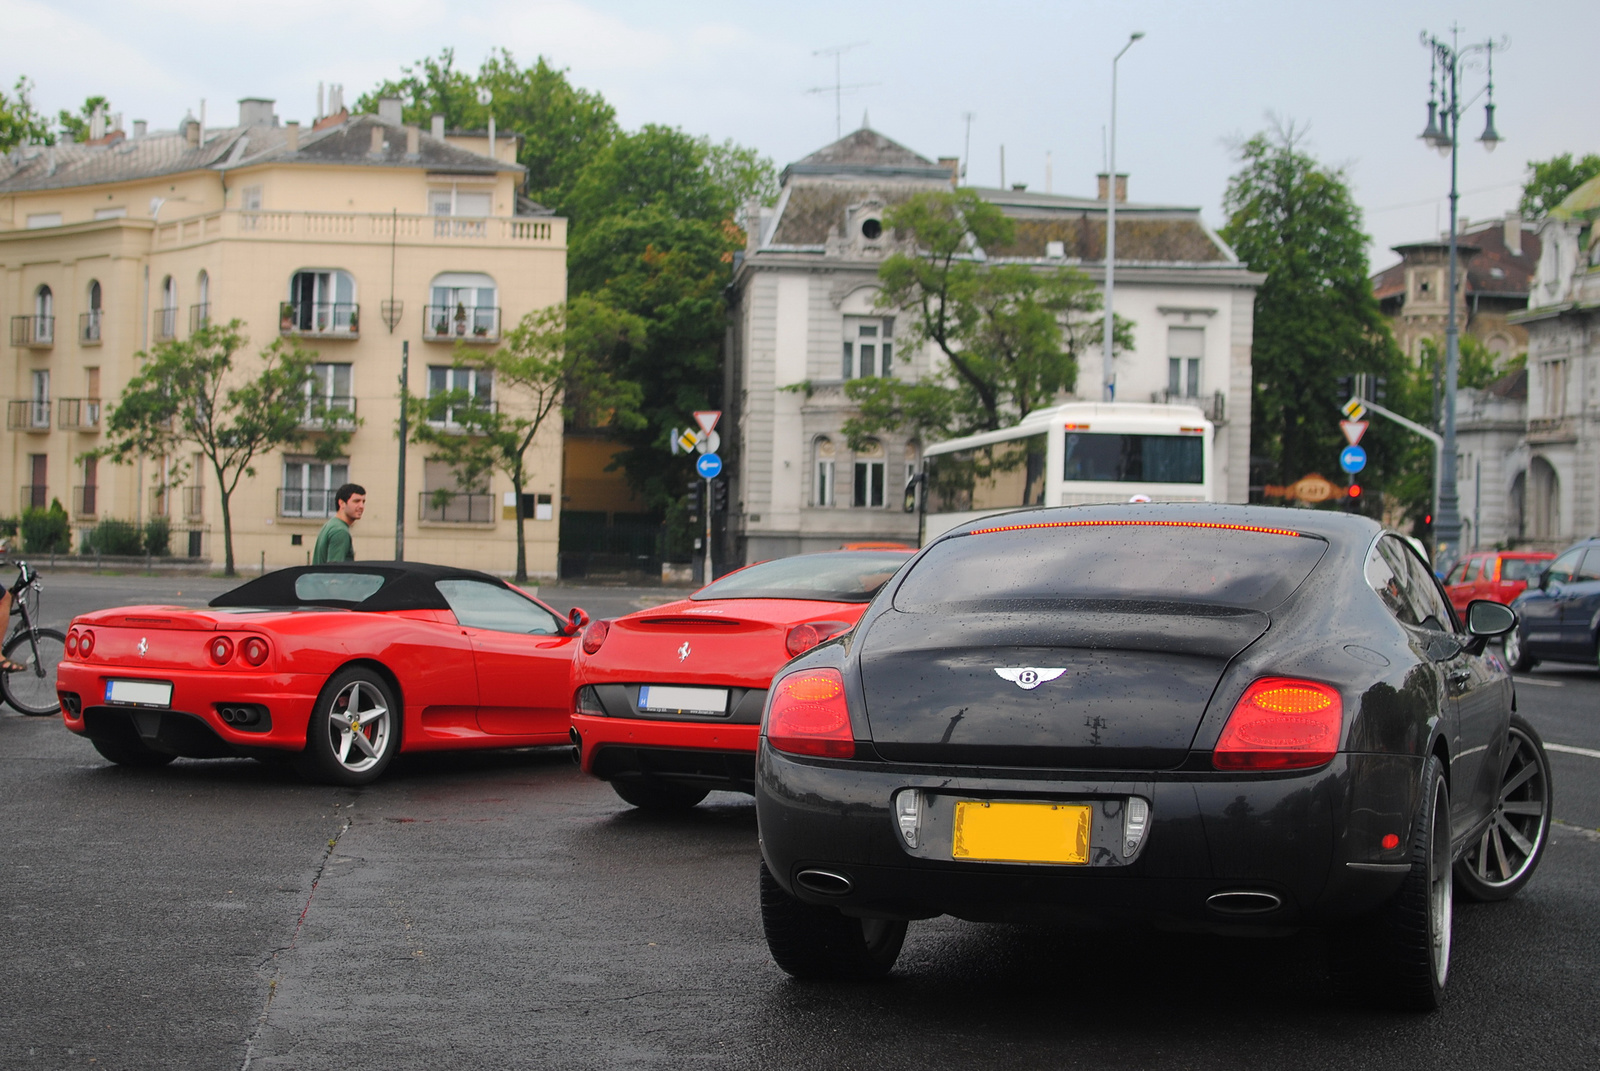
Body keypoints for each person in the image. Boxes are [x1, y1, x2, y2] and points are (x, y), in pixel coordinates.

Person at [312, 483, 365, 564]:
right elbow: (335, 571)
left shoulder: (331, 524)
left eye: (363, 502)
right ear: (342, 503)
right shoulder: (340, 531)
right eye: (356, 501)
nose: (361, 506)